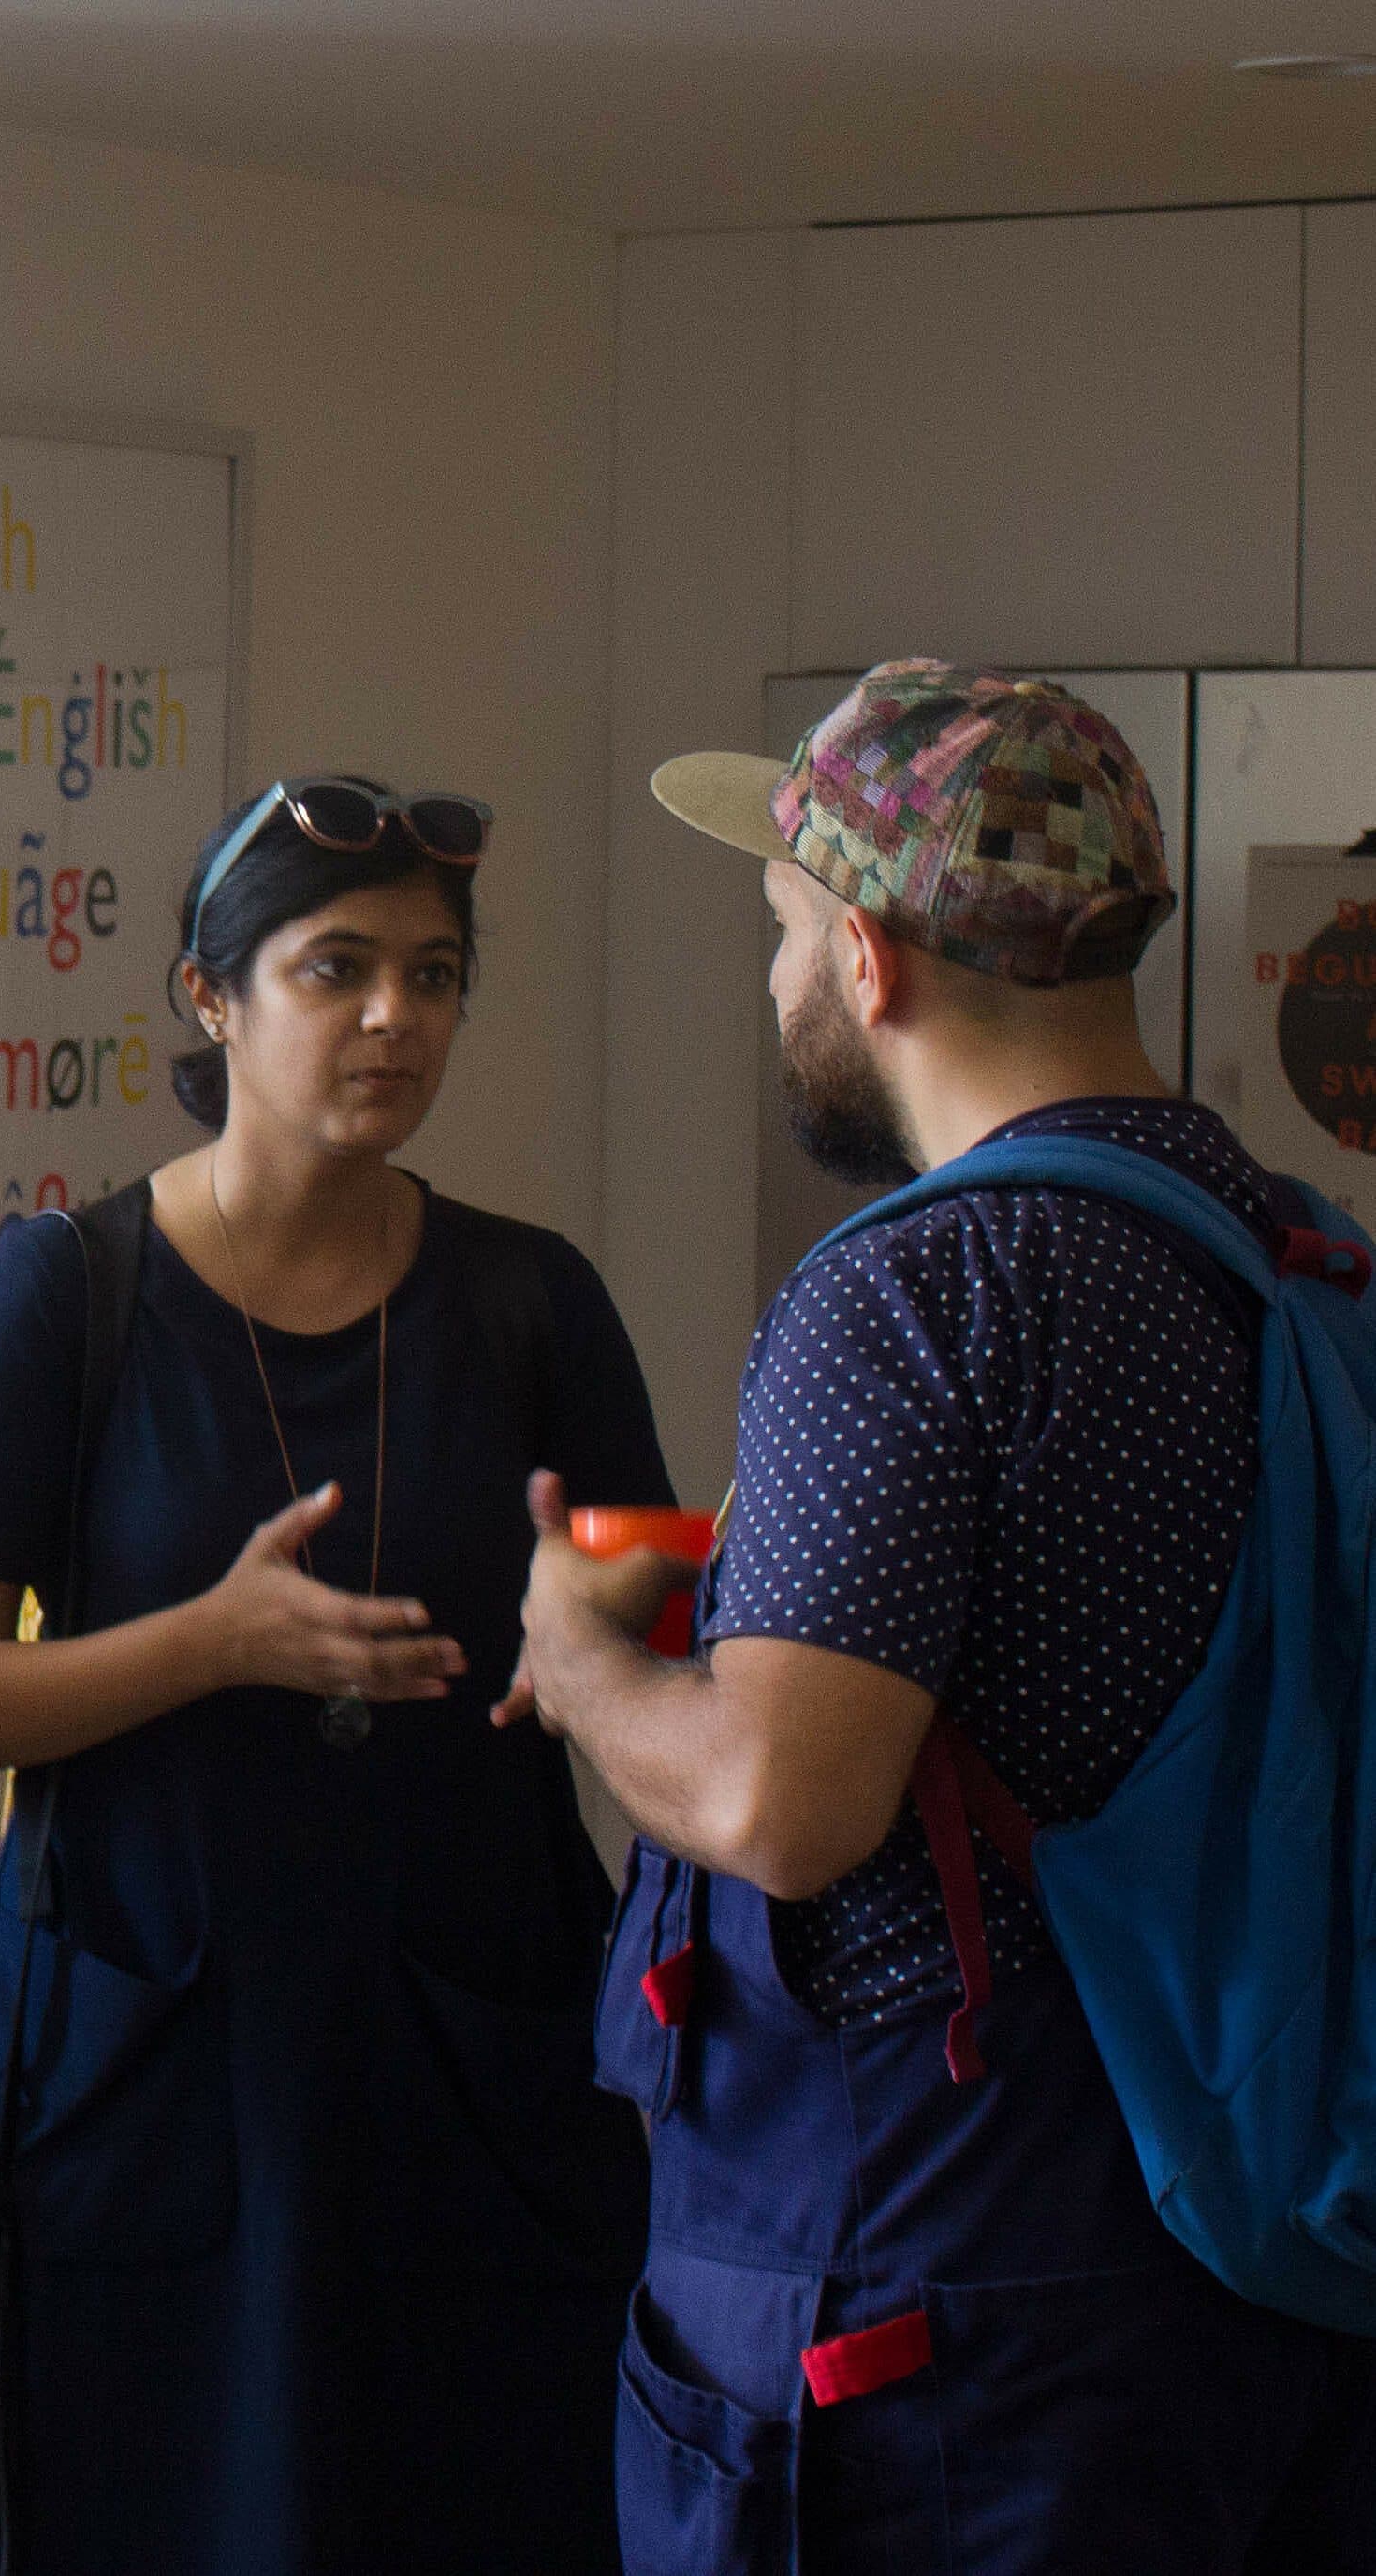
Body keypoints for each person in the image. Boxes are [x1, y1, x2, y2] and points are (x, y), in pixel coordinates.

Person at [509, 661, 1376, 2571]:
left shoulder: (918, 1290)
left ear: (875, 961)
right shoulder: (1289, 1251)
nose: (773, 983)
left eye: (782, 929)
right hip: (1241, 2265)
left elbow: (777, 1800)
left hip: (941, 2329)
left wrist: (580, 1661)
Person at [0, 776, 673, 2575]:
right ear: (211, 998)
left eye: (436, 974)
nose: (397, 1016)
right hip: (149, 2071)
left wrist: (601, 1629)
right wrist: (213, 1644)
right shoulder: (62, 1300)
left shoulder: (534, 1305)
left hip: (467, 2056)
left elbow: (661, 1640)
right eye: (338, 968)